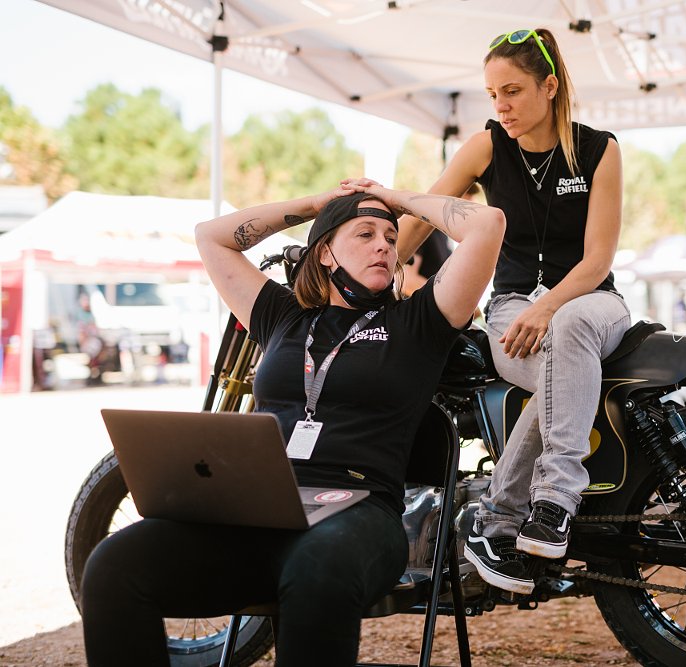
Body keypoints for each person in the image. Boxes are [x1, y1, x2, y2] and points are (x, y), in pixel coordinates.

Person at [80, 181, 504, 666]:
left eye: (390, 237)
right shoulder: (284, 317)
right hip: (262, 510)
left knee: (316, 565)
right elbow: (211, 237)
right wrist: (312, 206)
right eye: (364, 234)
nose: (384, 244)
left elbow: (487, 226)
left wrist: (395, 200)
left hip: (362, 513)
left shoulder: (419, 324)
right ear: (324, 254)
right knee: (113, 566)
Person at [397, 28, 630, 594]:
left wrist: (549, 306)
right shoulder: (485, 146)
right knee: (565, 375)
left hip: (593, 304)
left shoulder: (600, 149)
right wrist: (378, 264)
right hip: (510, 310)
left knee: (571, 326)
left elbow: (598, 259)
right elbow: (426, 211)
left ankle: (540, 502)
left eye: (513, 91)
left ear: (549, 86)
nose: (501, 106)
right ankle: (521, 514)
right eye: (492, 94)